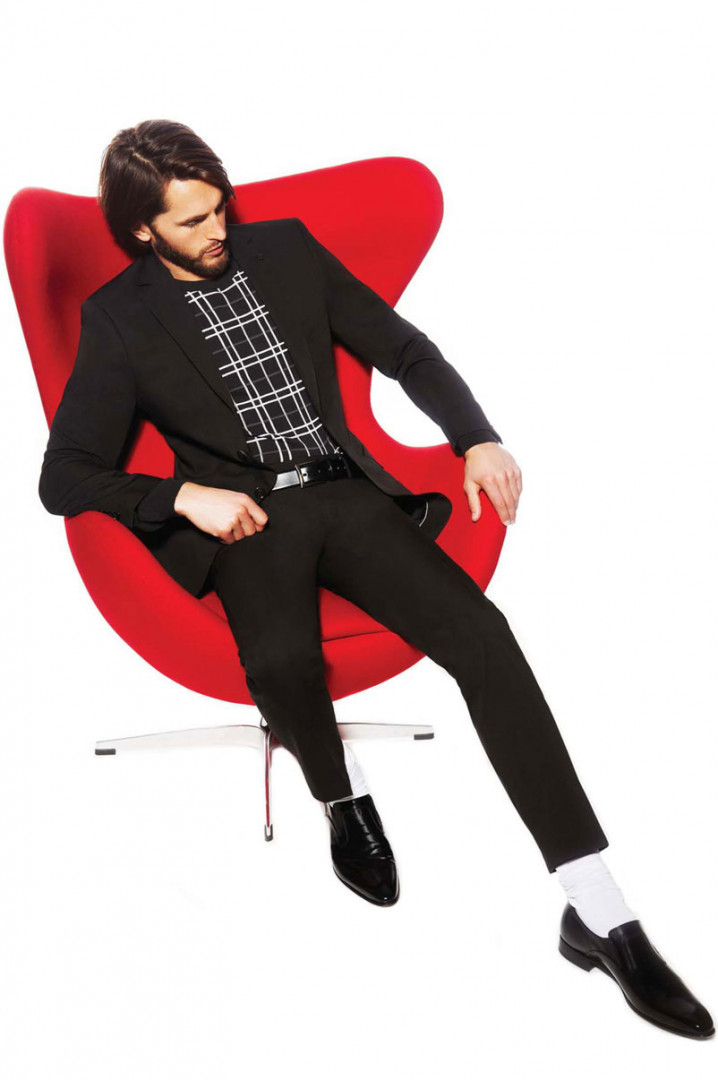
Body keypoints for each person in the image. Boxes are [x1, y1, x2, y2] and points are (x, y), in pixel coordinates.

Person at [38, 119, 713, 1039]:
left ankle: (599, 910)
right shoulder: (120, 317)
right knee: (281, 662)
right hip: (248, 522)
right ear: (141, 230)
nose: (218, 229)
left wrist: (475, 436)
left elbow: (404, 348)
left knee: (485, 638)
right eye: (192, 221)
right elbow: (64, 475)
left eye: (219, 206)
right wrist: (183, 496)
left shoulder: (282, 249)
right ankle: (340, 795)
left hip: (346, 494)